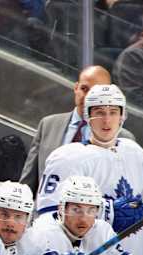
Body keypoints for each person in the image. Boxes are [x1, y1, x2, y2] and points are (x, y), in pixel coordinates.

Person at [36, 84, 143, 255]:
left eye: (113, 112)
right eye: (99, 112)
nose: (107, 120)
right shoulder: (67, 157)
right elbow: (49, 216)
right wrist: (107, 212)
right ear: (87, 116)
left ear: (122, 116)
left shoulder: (134, 152)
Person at [20, 65, 134, 194]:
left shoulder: (123, 137)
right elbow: (28, 182)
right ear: (76, 88)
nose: (87, 97)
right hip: (46, 211)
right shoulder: (48, 125)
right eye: (84, 89)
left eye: (96, 92)